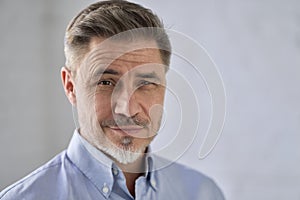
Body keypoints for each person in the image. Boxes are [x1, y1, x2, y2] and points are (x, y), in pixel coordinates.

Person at [0, 1, 225, 199]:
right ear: (71, 86)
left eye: (145, 83)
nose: (126, 109)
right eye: (106, 82)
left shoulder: (203, 193)